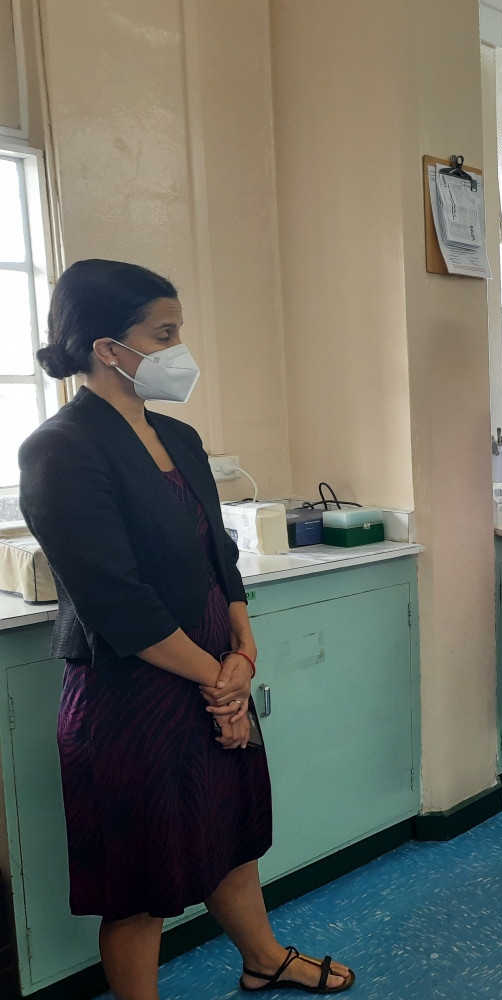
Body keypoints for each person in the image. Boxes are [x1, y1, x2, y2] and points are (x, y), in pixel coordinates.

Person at [19, 260, 353, 998]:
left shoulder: (180, 435)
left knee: (231, 833)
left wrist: (244, 644)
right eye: (163, 334)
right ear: (108, 347)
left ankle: (262, 958)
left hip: (214, 665)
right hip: (132, 691)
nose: (180, 350)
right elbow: (118, 602)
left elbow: (218, 553)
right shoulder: (60, 449)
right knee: (141, 883)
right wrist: (222, 680)